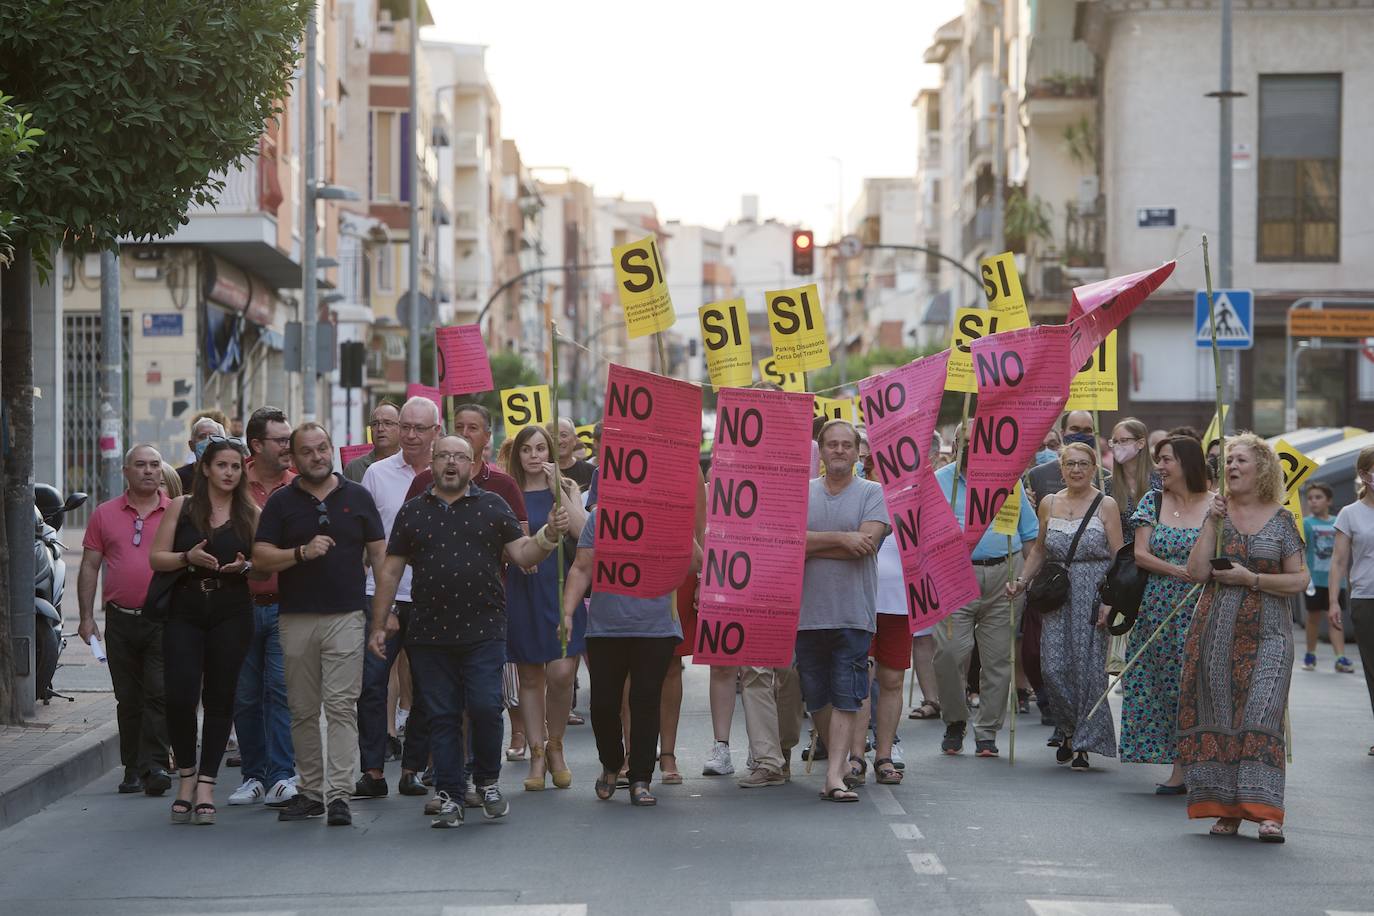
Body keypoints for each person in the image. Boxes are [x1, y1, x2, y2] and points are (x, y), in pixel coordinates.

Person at [371, 435, 570, 827]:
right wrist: (380, 622)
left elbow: (524, 554)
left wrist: (549, 534)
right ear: (432, 462)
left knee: (483, 706)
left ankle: (487, 781)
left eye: (459, 457)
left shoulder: (493, 506)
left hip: (485, 628)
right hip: (429, 634)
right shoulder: (412, 512)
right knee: (442, 716)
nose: (450, 463)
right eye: (443, 456)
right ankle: (449, 794)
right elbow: (390, 570)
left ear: (472, 462)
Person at [253, 422, 387, 828]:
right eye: (307, 451)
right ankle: (311, 792)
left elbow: (381, 560)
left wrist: (383, 616)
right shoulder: (281, 502)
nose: (317, 456)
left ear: (332, 449)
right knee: (303, 709)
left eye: (323, 448)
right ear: (293, 459)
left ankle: (340, 795)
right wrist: (300, 552)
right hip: (295, 618)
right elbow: (260, 559)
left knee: (342, 706)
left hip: (347, 617)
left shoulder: (358, 496)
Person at [1181, 433, 1307, 842]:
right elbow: (1197, 573)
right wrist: (1211, 522)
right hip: (1216, 634)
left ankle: (1268, 811)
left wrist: (1251, 578)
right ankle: (1227, 810)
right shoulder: (1216, 512)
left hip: (1270, 635)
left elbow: (1300, 579)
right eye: (1228, 461)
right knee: (1221, 720)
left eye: (1241, 461)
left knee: (1261, 715)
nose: (1231, 467)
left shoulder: (1282, 519)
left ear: (1263, 469)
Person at [149, 437, 260, 825]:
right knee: (179, 695)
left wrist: (245, 568)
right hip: (185, 606)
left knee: (220, 697)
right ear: (206, 469)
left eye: (235, 466)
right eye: (222, 466)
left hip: (231, 609)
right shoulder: (182, 507)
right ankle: (186, 778)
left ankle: (208, 784)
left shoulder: (250, 512)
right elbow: (157, 558)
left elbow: (263, 567)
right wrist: (186, 557)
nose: (228, 472)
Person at [562, 507, 686, 808]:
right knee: (603, 704)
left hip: (656, 626)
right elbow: (582, 567)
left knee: (645, 700)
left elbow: (693, 563)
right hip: (606, 627)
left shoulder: (667, 515)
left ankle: (641, 777)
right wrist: (566, 612)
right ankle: (612, 761)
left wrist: (681, 529)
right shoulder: (601, 517)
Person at [1010, 441, 1122, 771]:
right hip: (1056, 593)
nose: (1076, 470)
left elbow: (1118, 556)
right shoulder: (1048, 503)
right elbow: (1040, 550)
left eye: (1083, 464)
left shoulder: (1107, 505)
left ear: (1094, 469)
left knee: (1088, 670)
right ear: (1061, 469)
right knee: (1053, 667)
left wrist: (1111, 600)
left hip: (1093, 591)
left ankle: (1083, 741)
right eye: (1070, 464)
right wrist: (1021, 582)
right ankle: (1068, 727)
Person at [795, 419, 889, 801]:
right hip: (806, 614)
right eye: (831, 444)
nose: (838, 450)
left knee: (847, 695)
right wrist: (841, 539)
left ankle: (834, 774)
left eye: (845, 445)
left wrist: (813, 544)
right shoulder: (803, 493)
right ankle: (837, 760)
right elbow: (789, 543)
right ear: (820, 449)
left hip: (854, 613)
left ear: (857, 452)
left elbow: (867, 543)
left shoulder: (873, 492)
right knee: (815, 694)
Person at [354, 396, 441, 800]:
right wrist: (380, 606)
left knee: (426, 687)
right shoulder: (376, 474)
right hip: (383, 597)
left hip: (429, 600)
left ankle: (413, 769)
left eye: (418, 428)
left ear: (436, 432)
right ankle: (372, 770)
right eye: (404, 426)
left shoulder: (449, 472)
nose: (408, 435)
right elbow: (368, 540)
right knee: (371, 686)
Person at [933, 430, 1038, 758]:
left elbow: (1031, 536)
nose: (972, 447)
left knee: (998, 659)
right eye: (966, 440)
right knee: (949, 653)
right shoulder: (940, 482)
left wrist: (1024, 579)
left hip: (1003, 575)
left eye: (980, 439)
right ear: (955, 446)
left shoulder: (1009, 481)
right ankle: (954, 719)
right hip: (954, 578)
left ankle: (988, 730)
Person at [76, 445, 173, 796]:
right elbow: (89, 565)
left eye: (154, 465)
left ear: (162, 471)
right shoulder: (104, 514)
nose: (148, 471)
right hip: (119, 621)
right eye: (141, 465)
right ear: (126, 471)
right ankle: (132, 768)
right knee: (129, 698)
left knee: (159, 694)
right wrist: (86, 617)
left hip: (163, 620)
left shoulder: (175, 512)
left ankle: (157, 765)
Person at [1119, 434, 1210, 791]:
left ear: (1187, 462)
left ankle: (1206, 764)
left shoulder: (1216, 505)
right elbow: (1141, 555)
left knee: (1199, 687)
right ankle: (1179, 767)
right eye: (1159, 459)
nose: (1160, 467)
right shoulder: (1152, 501)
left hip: (1203, 607)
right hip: (1158, 608)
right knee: (1165, 688)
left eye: (1166, 459)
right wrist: (1179, 572)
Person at [503, 424, 589, 791]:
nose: (535, 455)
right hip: (522, 589)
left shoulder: (566, 487)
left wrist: (559, 489)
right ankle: (538, 753)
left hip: (560, 589)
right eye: (527, 449)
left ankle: (557, 744)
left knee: (560, 673)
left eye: (541, 448)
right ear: (517, 455)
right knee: (531, 676)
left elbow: (585, 531)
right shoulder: (509, 493)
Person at [229, 407, 299, 808]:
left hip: (285, 607)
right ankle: (253, 775)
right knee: (244, 695)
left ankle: (281, 775)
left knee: (279, 691)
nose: (288, 447)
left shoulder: (298, 487)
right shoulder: (235, 483)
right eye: (281, 440)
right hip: (239, 606)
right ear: (257, 445)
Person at [406, 404, 527, 527]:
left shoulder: (505, 485)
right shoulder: (423, 481)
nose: (464, 433)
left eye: (472, 428)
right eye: (459, 427)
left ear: (487, 436)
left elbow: (521, 539)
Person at [1327, 446, 1374, 754]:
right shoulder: (1350, 514)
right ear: (1363, 475)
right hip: (1365, 597)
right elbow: (1339, 561)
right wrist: (1333, 601)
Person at [1302, 482, 1354, 673]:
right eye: (1310, 498)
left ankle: (1340, 657)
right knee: (1313, 618)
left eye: (1318, 497)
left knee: (1335, 618)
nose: (1313, 502)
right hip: (1314, 581)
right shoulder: (1306, 523)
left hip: (1335, 581)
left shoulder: (1337, 522)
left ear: (1329, 501)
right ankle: (1310, 653)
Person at [1024, 411, 1109, 507]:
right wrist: (1025, 502)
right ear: (1063, 433)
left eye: (1087, 430)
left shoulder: (1105, 478)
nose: (1080, 435)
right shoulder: (1037, 475)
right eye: (1075, 429)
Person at [1108, 418, 1154, 540]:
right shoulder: (1107, 484)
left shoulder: (1160, 480)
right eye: (1114, 442)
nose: (1117, 446)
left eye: (1123, 441)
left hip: (1155, 553)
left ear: (1141, 443)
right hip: (1123, 555)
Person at [344, 402, 401, 483]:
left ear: (401, 427)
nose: (380, 429)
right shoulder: (354, 469)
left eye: (387, 423)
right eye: (375, 424)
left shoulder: (412, 465)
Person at [176, 415, 225, 495]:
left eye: (213, 436)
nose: (208, 440)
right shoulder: (179, 476)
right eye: (202, 436)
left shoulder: (228, 473)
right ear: (192, 445)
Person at [555, 417, 596, 492]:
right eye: (553, 436)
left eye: (564, 435)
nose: (559, 441)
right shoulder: (539, 473)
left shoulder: (593, 473)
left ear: (574, 439)